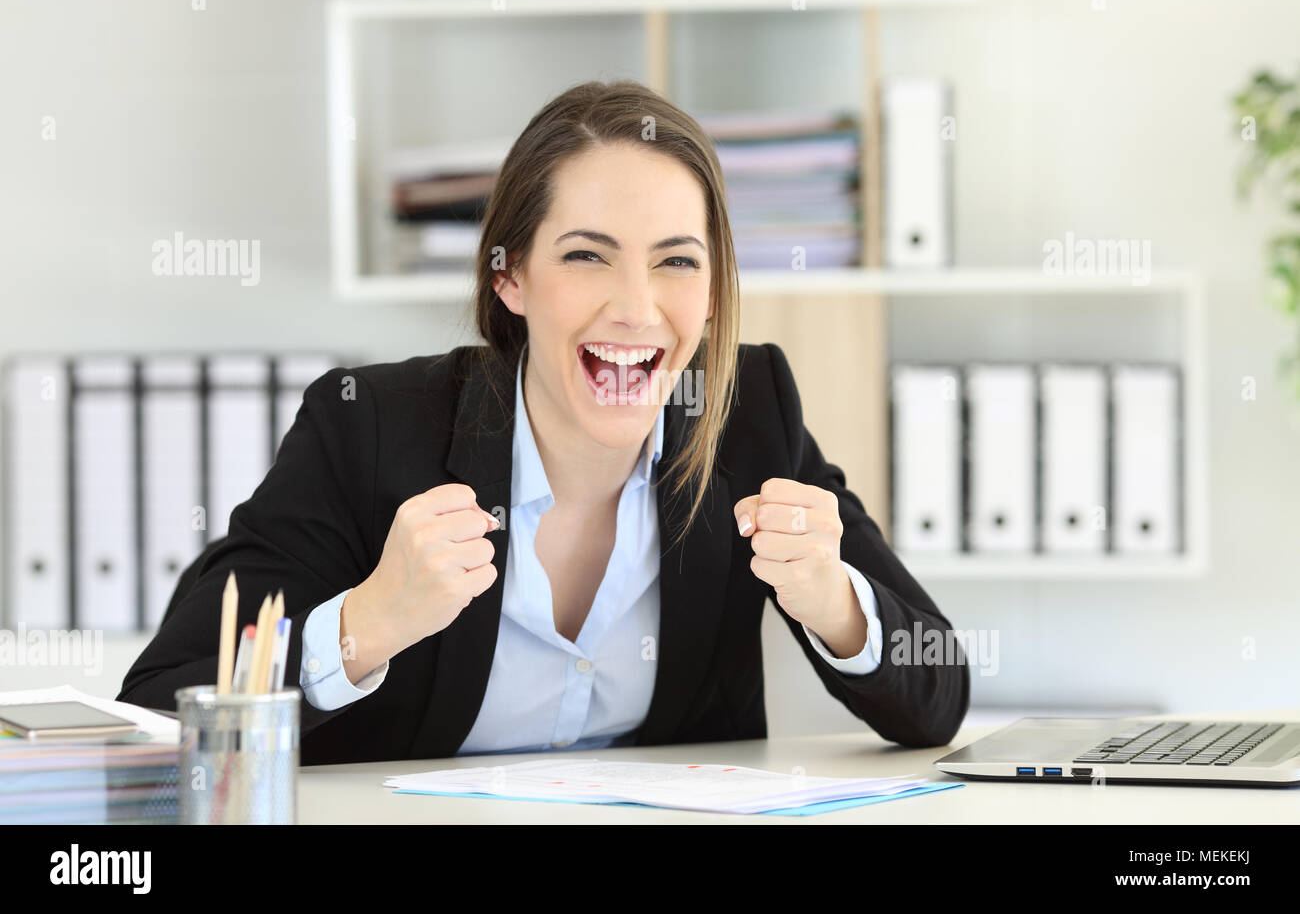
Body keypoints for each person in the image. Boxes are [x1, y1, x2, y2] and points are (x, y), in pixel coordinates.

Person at [119, 79, 968, 765]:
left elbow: (941, 690)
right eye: (586, 255)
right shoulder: (371, 428)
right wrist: (366, 624)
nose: (637, 309)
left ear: (712, 295)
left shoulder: (748, 415)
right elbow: (157, 713)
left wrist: (835, 604)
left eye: (677, 261)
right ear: (511, 278)